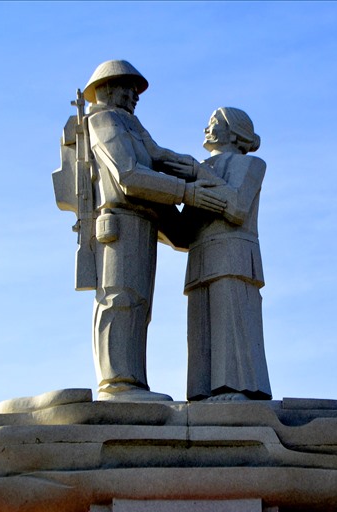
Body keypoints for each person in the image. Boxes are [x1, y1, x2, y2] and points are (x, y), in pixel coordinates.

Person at [82, 60, 226, 402]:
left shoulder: (129, 122)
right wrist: (187, 192)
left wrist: (199, 170)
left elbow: (159, 156)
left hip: (145, 218)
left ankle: (131, 383)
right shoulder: (103, 119)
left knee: (139, 304)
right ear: (108, 88)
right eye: (129, 88)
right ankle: (117, 385)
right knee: (120, 297)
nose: (136, 95)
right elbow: (128, 175)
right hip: (121, 219)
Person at [183, 107, 272, 402]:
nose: (207, 128)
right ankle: (201, 392)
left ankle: (237, 388)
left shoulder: (251, 164)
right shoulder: (201, 169)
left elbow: (236, 207)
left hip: (234, 256)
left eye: (214, 122)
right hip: (199, 258)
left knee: (232, 323)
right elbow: (183, 232)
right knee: (200, 330)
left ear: (234, 133)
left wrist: (199, 174)